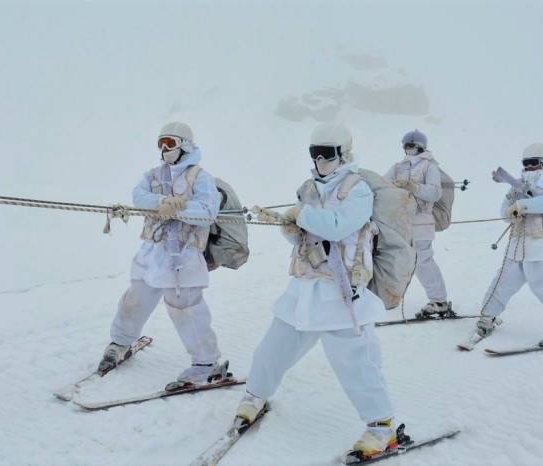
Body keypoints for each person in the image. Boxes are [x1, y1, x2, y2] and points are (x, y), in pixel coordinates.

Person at [235, 122, 410, 460]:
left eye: (326, 154)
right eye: (314, 154)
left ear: (342, 154)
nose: (319, 160)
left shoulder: (358, 190)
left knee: (355, 363)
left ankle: (381, 426)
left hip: (341, 292)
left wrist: (301, 215)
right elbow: (304, 235)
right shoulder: (308, 188)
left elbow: (339, 226)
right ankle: (255, 395)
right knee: (272, 349)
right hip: (304, 287)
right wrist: (290, 226)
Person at [99, 121, 225, 384]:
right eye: (161, 143)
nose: (165, 149)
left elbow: (208, 211)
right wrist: (162, 203)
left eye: (170, 143)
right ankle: (120, 343)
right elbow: (138, 196)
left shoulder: (200, 177)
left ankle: (206, 361)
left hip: (184, 255)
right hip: (152, 251)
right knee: (135, 297)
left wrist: (180, 208)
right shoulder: (153, 175)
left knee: (186, 309)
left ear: (185, 145)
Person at [474, 143, 543, 347]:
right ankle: (488, 316)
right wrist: (509, 214)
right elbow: (505, 208)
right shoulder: (517, 185)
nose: (530, 168)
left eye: (534, 164)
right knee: (502, 282)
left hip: (542, 245)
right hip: (517, 244)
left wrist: (521, 205)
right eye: (526, 164)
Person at [383, 129, 450, 317]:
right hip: (401, 220)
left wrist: (414, 187)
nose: (407, 149)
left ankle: (439, 300)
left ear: (420, 147)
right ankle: (385, 295)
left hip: (422, 218)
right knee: (397, 258)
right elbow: (383, 184)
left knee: (423, 260)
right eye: (405, 146)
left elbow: (435, 193)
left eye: (410, 145)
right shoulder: (399, 166)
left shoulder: (430, 167)